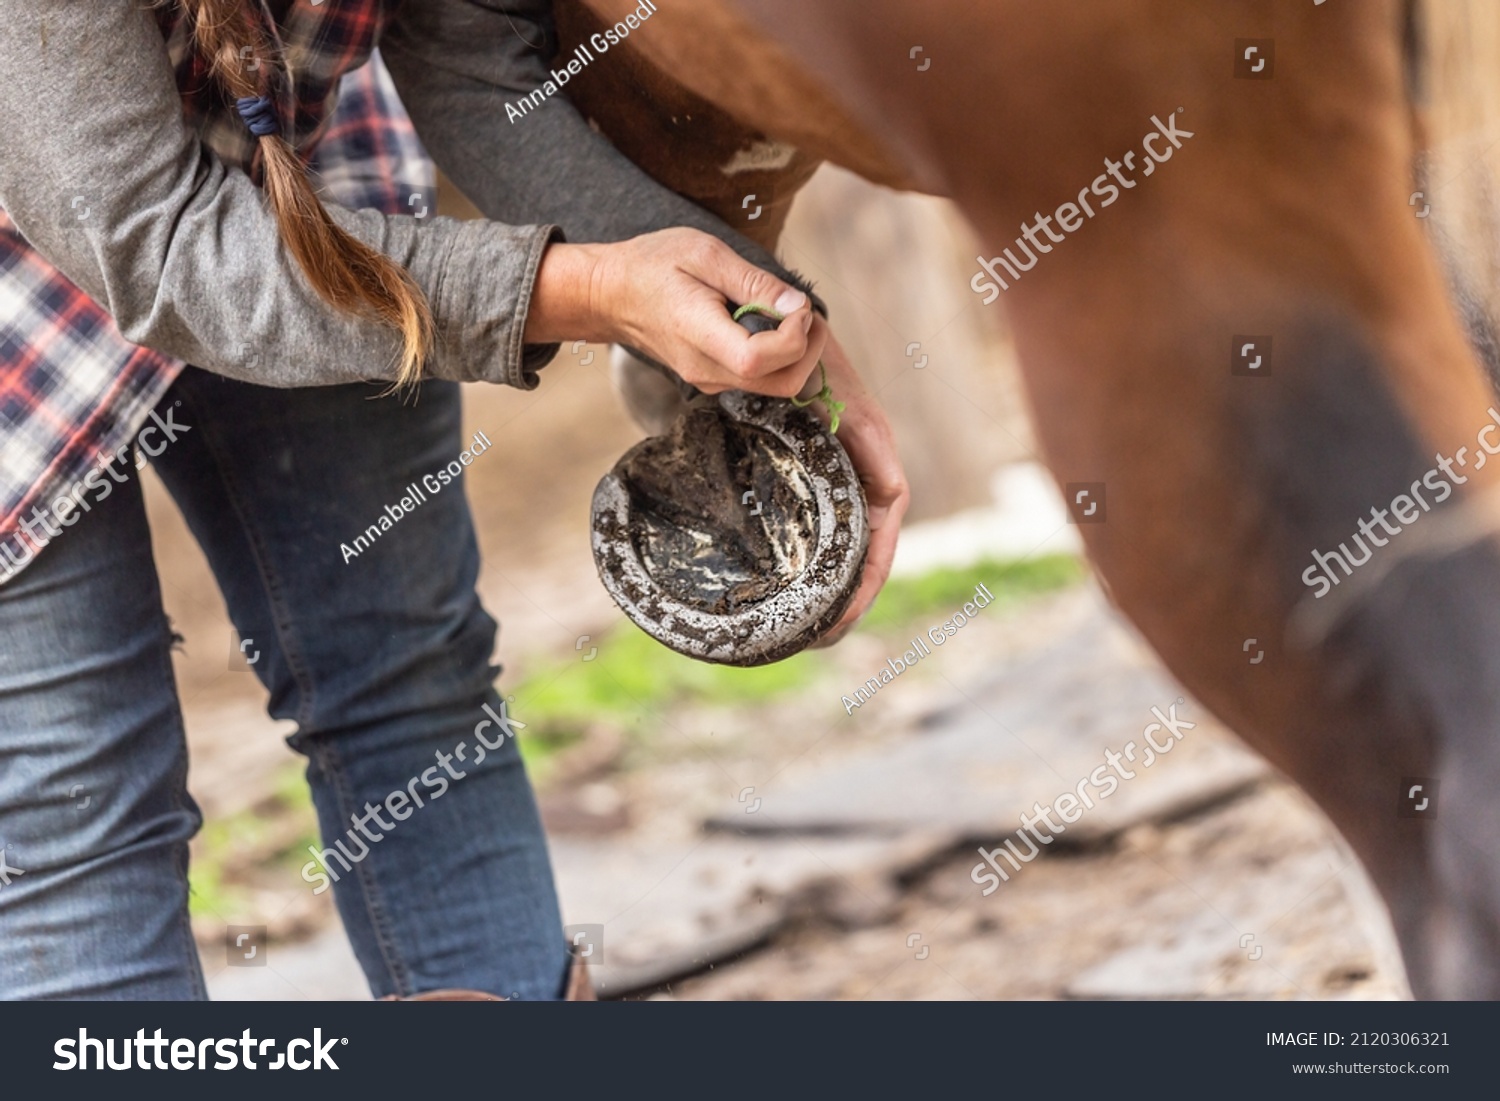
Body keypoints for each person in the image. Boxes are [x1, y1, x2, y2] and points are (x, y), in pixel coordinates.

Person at [0, 0, 908, 1000]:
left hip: (289, 153)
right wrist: (592, 291)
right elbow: (169, 250)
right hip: (68, 247)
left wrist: (763, 323)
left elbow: (472, 62)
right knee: (77, 815)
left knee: (408, 684)